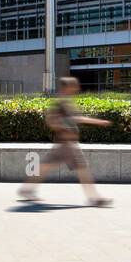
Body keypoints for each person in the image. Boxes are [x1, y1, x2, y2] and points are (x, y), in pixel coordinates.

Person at [17, 77, 113, 207]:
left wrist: (97, 122)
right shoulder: (60, 102)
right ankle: (94, 198)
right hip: (67, 143)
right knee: (82, 167)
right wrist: (65, 129)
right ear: (66, 87)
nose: (77, 88)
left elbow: (75, 118)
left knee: (46, 165)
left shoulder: (66, 101)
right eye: (74, 86)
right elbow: (51, 120)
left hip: (65, 143)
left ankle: (26, 189)